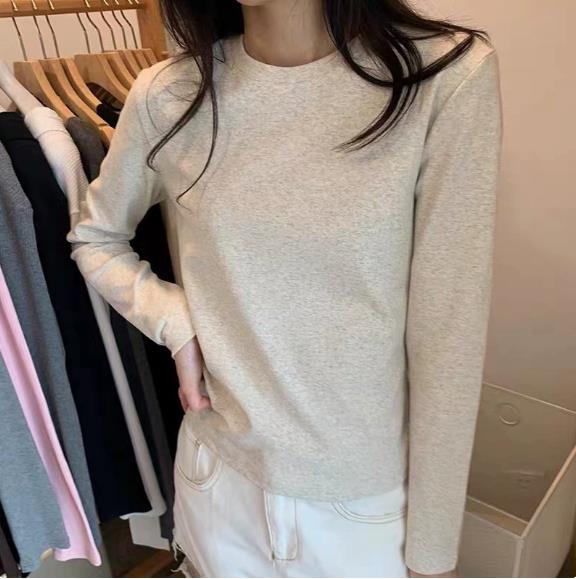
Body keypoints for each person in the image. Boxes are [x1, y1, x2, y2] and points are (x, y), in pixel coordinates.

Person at [67, 0, 503, 576]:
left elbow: (447, 337)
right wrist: (176, 323)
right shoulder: (169, 93)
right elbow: (96, 237)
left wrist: (434, 551)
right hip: (217, 479)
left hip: (360, 505)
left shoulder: (444, 77)